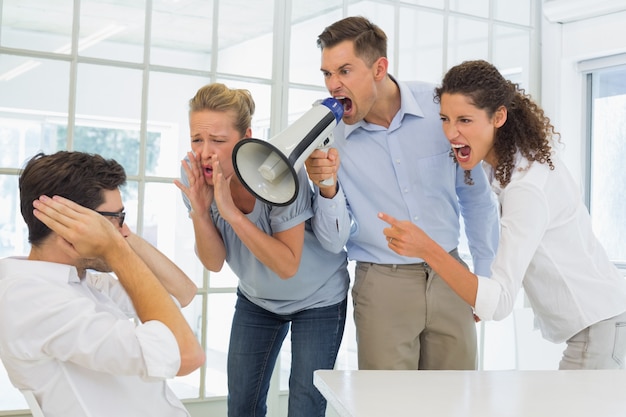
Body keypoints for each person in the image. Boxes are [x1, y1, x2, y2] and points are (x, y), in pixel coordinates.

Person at [380, 59, 626, 369]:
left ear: (499, 117)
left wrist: (427, 249)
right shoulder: (505, 164)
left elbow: (500, 304)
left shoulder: (526, 187)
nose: (451, 133)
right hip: (600, 324)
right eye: (445, 118)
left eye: (465, 120)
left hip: (599, 328)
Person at [304, 16, 500, 371]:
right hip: (382, 285)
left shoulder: (440, 109)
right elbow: (333, 242)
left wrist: (482, 280)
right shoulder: (326, 132)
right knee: (387, 405)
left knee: (456, 400)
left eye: (344, 71)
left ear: (379, 67)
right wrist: (327, 187)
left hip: (450, 273)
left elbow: (475, 197)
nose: (333, 85)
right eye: (327, 74)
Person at [174, 83, 350, 417]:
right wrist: (200, 210)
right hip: (257, 299)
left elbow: (287, 265)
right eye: (197, 139)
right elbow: (212, 262)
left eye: (219, 140)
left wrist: (232, 215)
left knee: (305, 406)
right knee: (242, 404)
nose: (205, 151)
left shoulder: (279, 170)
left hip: (318, 298)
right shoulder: (194, 177)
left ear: (246, 136)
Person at [0, 151, 205, 417]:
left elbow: (182, 292)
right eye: (115, 219)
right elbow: (187, 355)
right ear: (70, 226)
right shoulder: (31, 299)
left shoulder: (81, 279)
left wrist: (118, 236)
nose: (122, 230)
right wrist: (116, 251)